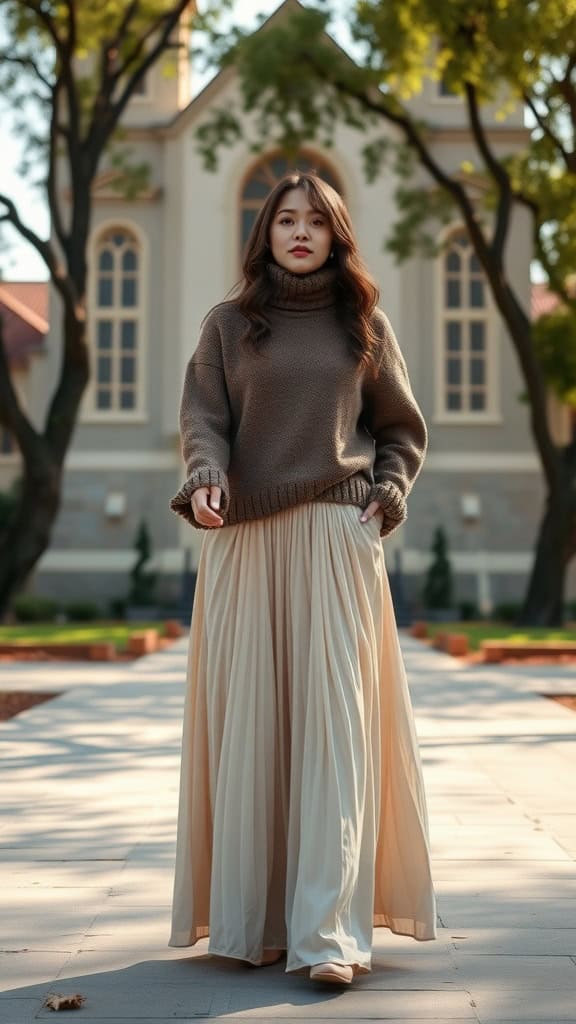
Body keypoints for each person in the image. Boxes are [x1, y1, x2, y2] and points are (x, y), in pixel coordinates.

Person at [168, 171, 437, 986]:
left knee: (335, 734)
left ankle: (328, 936)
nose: (299, 232)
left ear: (336, 233)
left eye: (315, 221)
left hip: (335, 536)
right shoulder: (228, 326)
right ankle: (256, 924)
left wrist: (388, 494)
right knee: (252, 732)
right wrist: (206, 475)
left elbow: (400, 428)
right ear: (265, 232)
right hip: (244, 543)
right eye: (285, 219)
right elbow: (202, 420)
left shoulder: (363, 326)